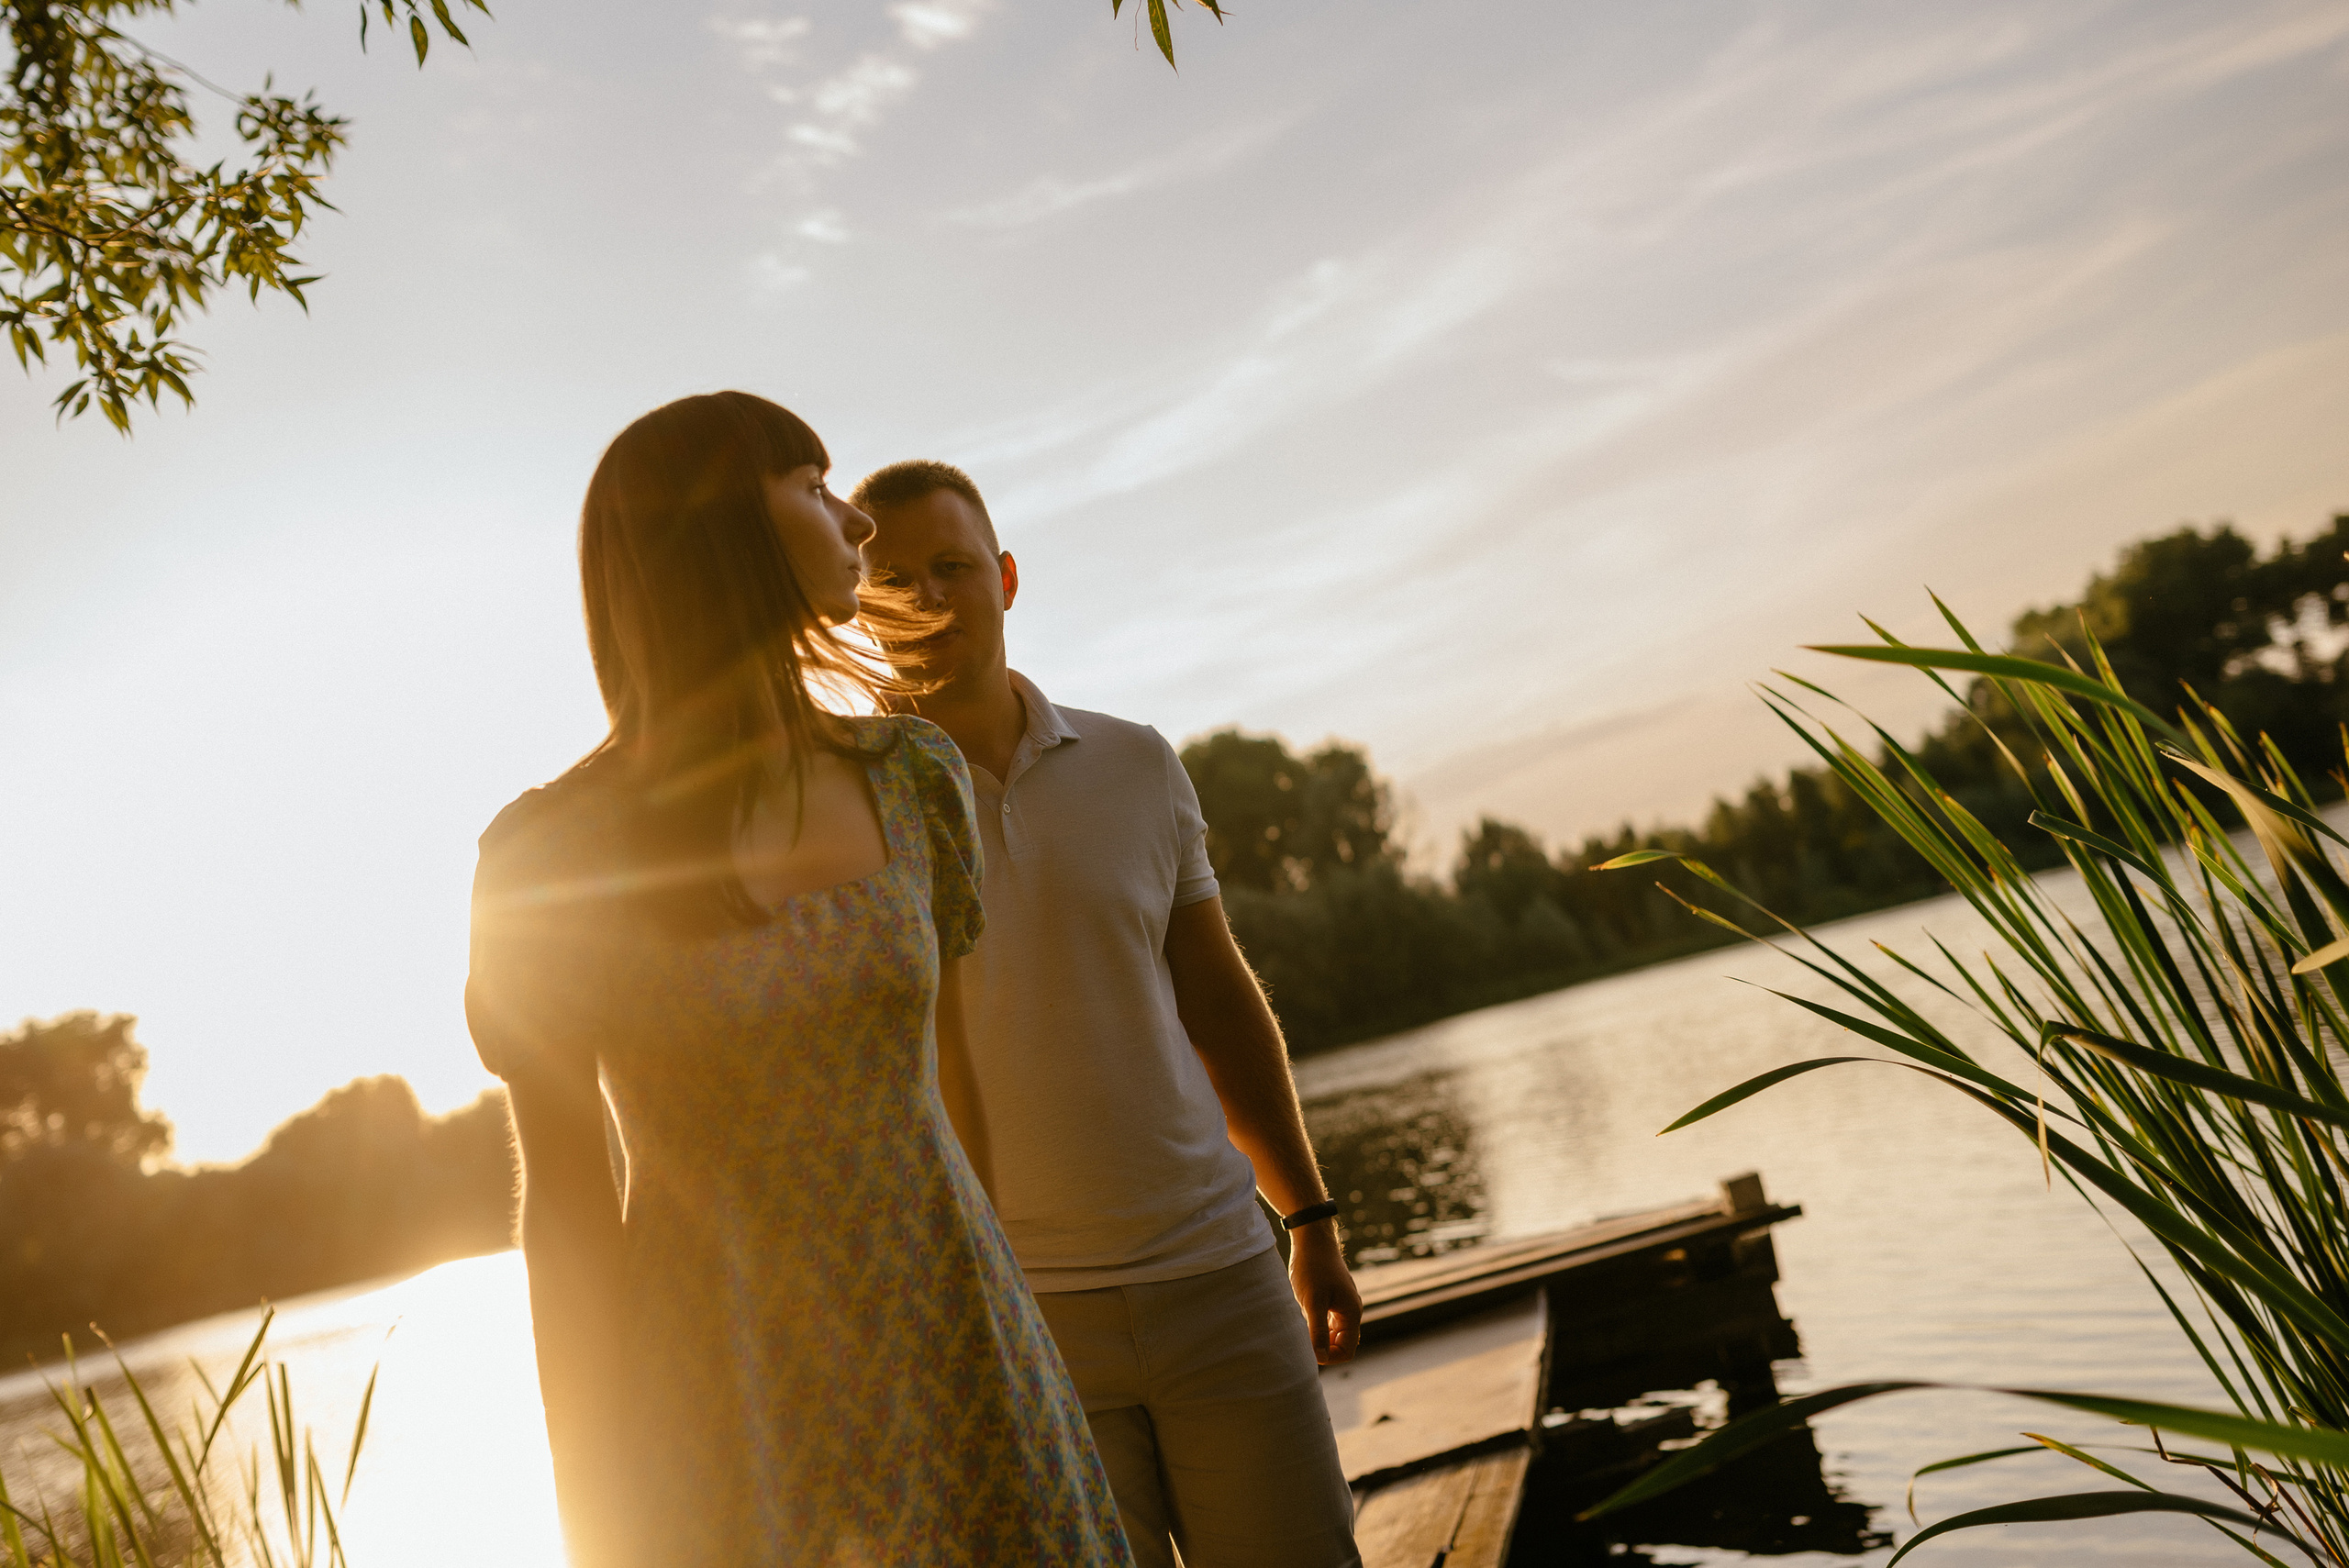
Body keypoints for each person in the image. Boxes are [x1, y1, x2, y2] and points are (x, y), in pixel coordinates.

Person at [463, 395, 1133, 1568]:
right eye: (814, 487)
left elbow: (949, 1087)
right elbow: (566, 1207)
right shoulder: (547, 855)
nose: (858, 523)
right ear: (717, 531)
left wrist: (1011, 1311)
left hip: (964, 1351)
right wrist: (595, 1501)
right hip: (731, 1401)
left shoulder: (911, 775)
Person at [853, 459, 1364, 1568]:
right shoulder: (845, 807)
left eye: (951, 567)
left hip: (1219, 1273)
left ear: (1006, 577)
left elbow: (1218, 999)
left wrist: (1311, 1216)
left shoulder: (1136, 762)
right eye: (891, 580)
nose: (926, 598)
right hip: (1017, 1314)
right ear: (856, 606)